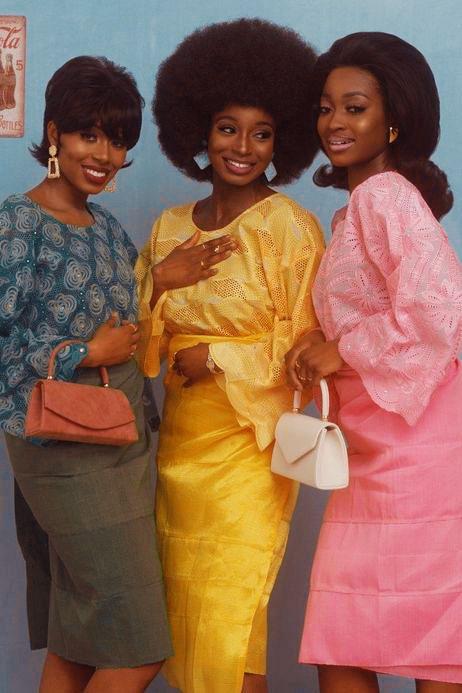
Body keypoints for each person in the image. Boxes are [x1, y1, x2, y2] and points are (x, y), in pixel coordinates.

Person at [134, 18, 324, 693]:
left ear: (280, 144)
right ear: (199, 130)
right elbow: (134, 342)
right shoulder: (168, 229)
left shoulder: (289, 228)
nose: (242, 147)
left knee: (233, 602)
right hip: (179, 445)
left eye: (261, 133)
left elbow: (307, 345)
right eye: (227, 127)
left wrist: (216, 355)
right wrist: (161, 283)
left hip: (249, 445)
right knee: (186, 608)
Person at [285, 32, 462, 692]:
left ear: (394, 120)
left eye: (354, 108)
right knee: (350, 630)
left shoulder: (386, 195)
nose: (334, 122)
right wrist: (317, 344)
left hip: (419, 452)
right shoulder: (356, 210)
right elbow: (377, 312)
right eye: (326, 107)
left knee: (427, 632)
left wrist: (340, 348)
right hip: (371, 445)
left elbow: (441, 307)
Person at [0, 56, 172, 693]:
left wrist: (161, 279)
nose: (105, 155)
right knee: (137, 647)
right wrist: (84, 352)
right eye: (89, 134)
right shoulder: (18, 223)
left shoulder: (105, 228)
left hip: (123, 440)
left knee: (79, 633)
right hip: (63, 449)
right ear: (54, 134)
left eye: (118, 140)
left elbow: (124, 315)